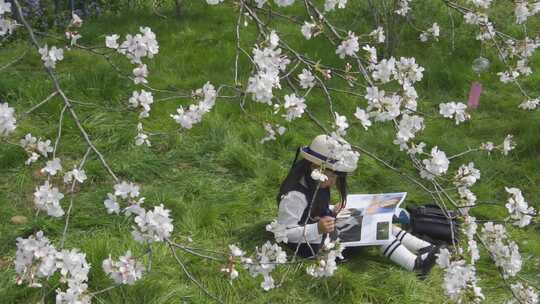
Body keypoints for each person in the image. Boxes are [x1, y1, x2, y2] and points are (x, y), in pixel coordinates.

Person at [276, 134, 440, 276]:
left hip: (323, 231)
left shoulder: (316, 182)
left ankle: (425, 248)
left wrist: (333, 209)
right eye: (332, 177)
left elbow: (313, 209)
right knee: (375, 231)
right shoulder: (295, 196)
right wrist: (317, 228)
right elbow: (284, 232)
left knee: (376, 220)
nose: (333, 182)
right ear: (315, 167)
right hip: (312, 245)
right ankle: (415, 265)